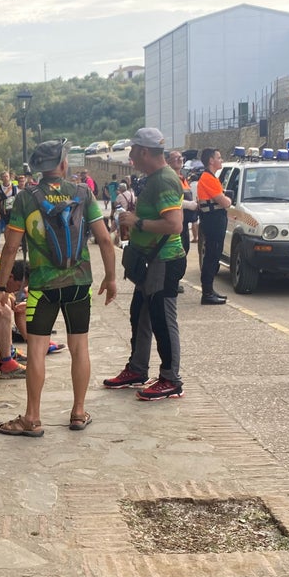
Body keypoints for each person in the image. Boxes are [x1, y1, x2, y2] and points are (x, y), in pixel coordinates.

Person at [0, 138, 115, 437]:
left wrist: (1, 288)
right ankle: (78, 412)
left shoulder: (26, 198)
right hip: (79, 283)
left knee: (36, 349)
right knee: (79, 346)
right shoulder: (83, 193)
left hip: (43, 286)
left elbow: (10, 247)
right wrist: (110, 278)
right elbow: (105, 239)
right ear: (63, 164)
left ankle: (32, 418)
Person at [103, 128, 187, 399]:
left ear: (144, 152)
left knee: (162, 319)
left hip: (164, 260)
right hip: (150, 261)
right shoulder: (154, 178)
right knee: (140, 315)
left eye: (133, 150)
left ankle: (171, 379)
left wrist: (136, 222)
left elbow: (174, 225)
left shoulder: (164, 180)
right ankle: (137, 369)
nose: (130, 155)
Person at [195, 148, 231, 305]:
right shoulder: (208, 178)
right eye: (219, 157)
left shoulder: (211, 178)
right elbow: (224, 201)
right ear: (211, 160)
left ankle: (209, 290)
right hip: (213, 221)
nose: (221, 160)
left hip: (214, 221)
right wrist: (228, 200)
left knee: (214, 256)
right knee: (211, 257)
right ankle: (207, 293)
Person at [0, 170, 17, 243]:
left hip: (13, 209)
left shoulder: (14, 187)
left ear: (9, 177)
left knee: (13, 227)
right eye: (4, 177)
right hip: (4, 210)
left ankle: (13, 242)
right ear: (1, 178)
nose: (5, 178)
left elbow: (17, 198)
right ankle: (7, 242)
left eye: (7, 176)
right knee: (7, 227)